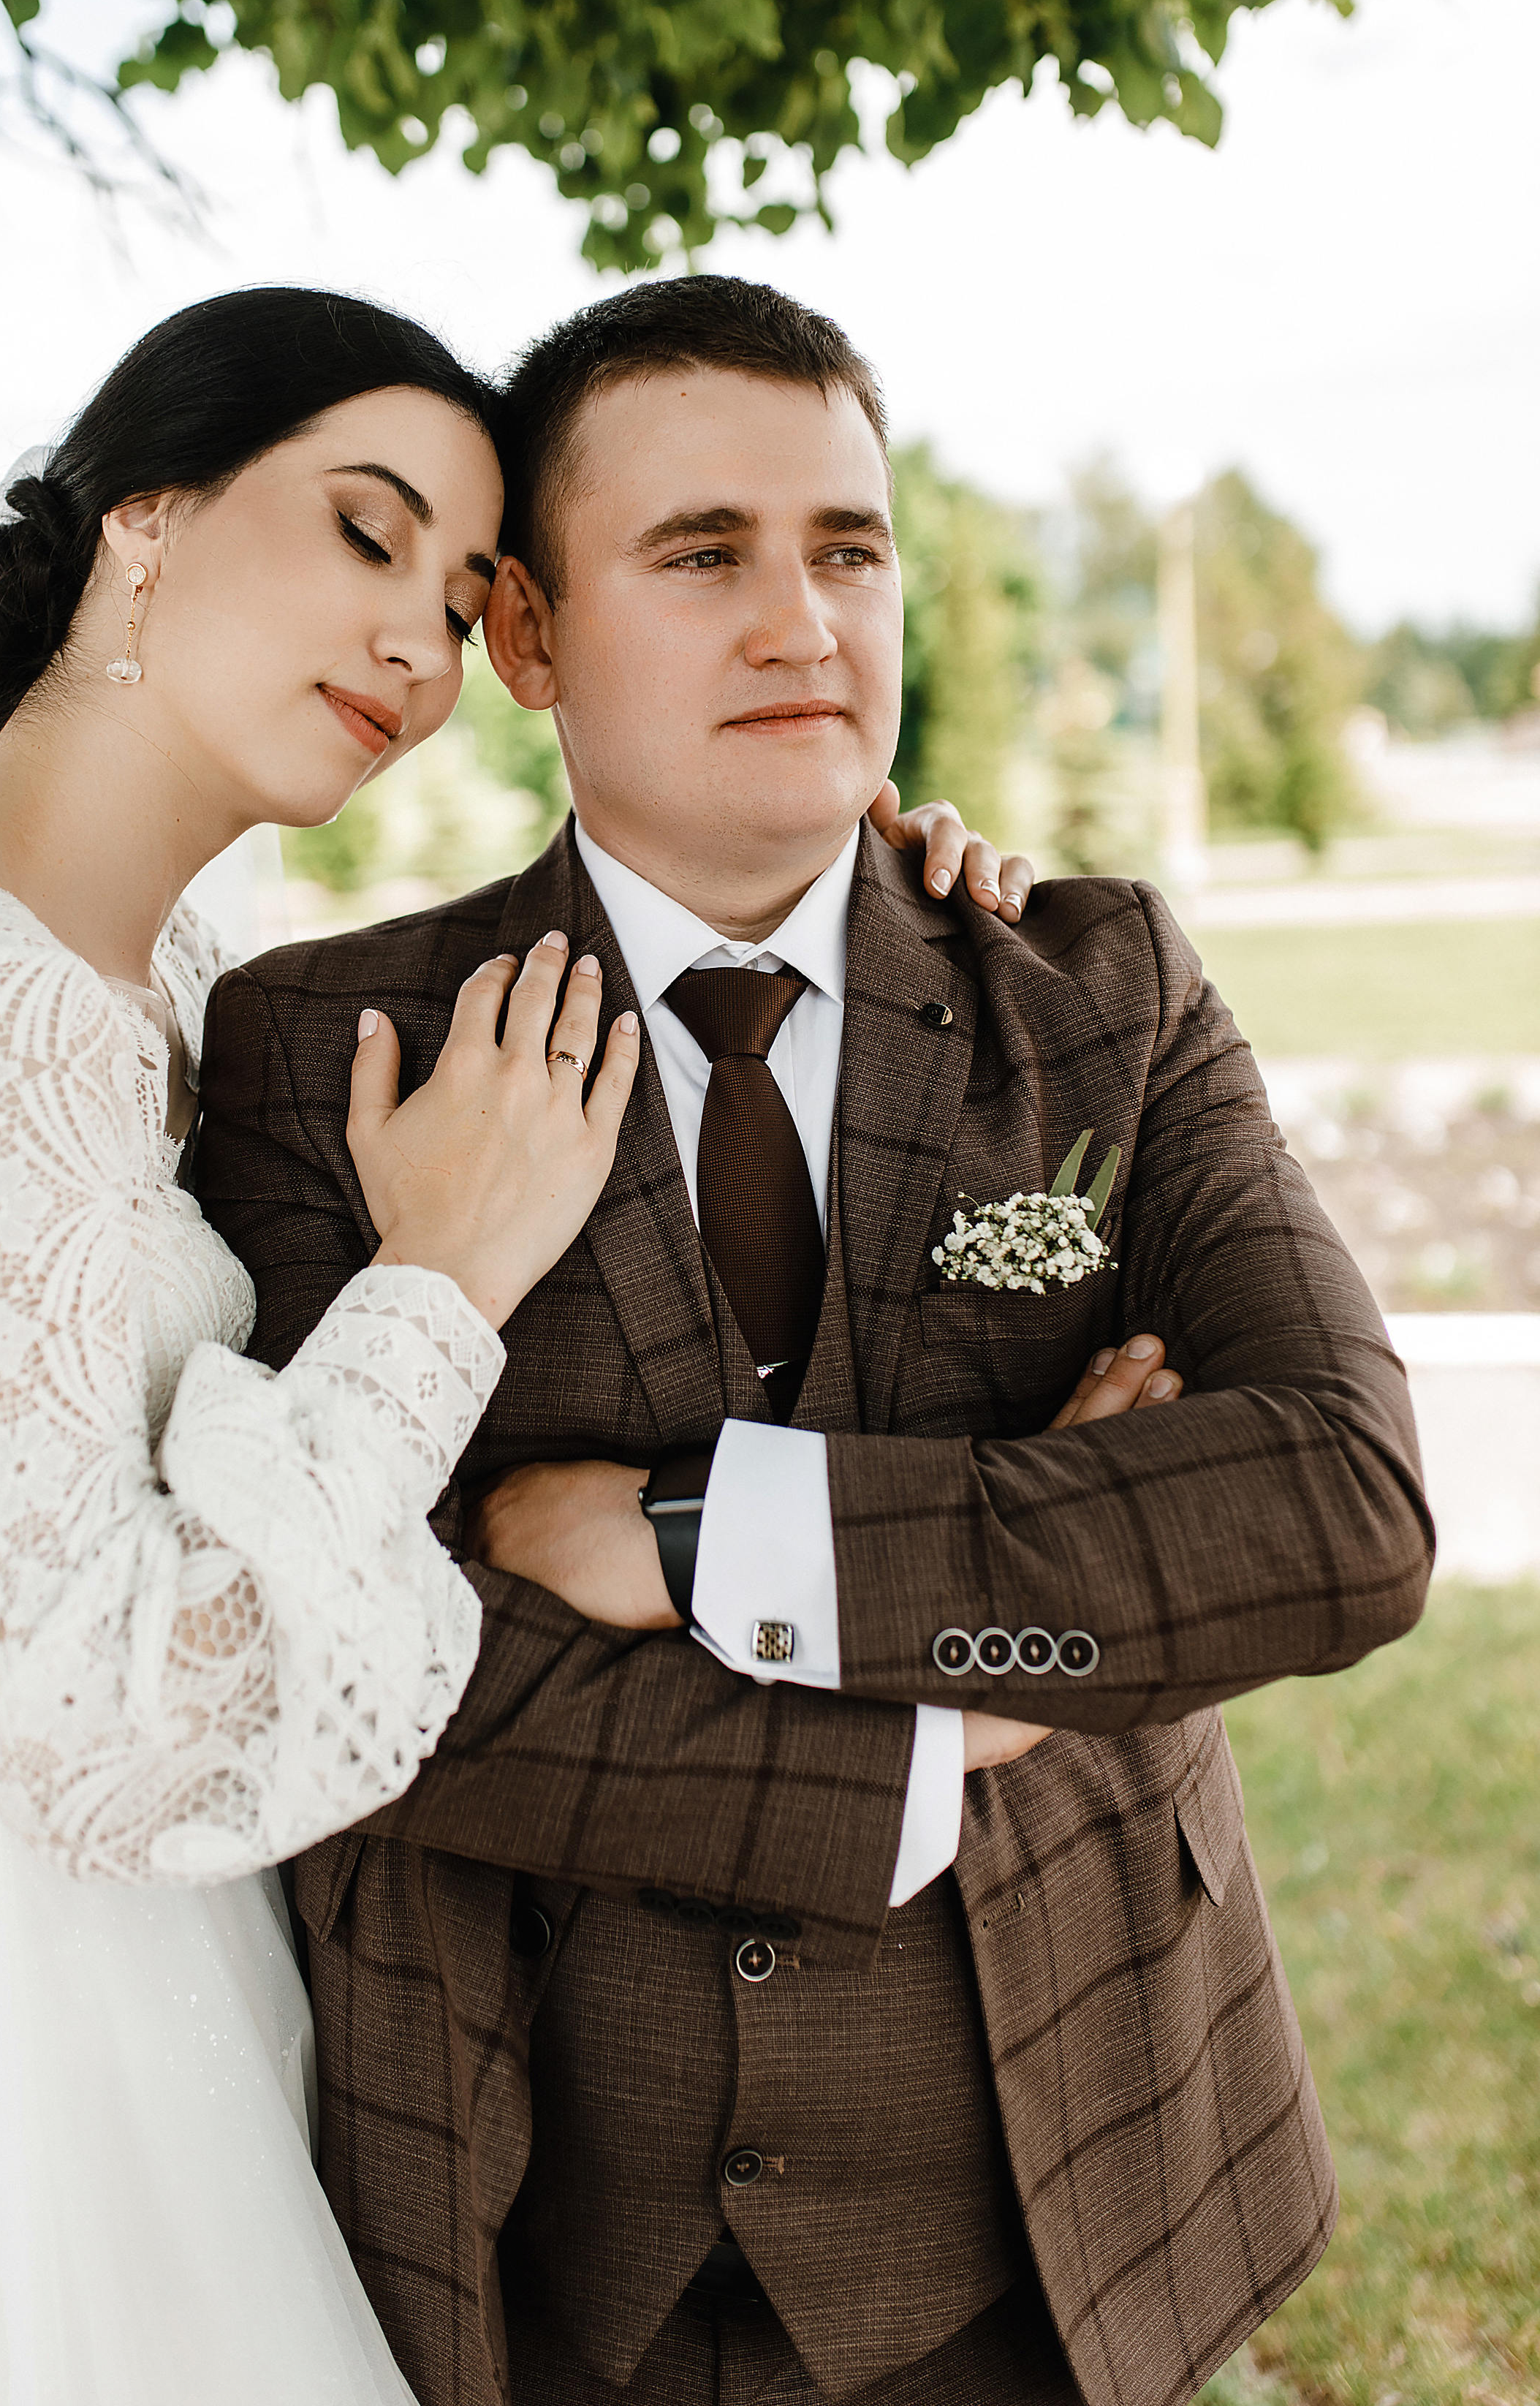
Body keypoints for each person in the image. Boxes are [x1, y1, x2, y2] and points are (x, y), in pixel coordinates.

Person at [194, 276, 1432, 2406]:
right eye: (704, 557)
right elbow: (378, 1675)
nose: (805, 622)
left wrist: (691, 1543)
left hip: (1063, 2203)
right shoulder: (335, 1049)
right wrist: (971, 1711)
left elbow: (1340, 1513)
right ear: (530, 637)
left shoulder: (1098, 993)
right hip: (544, 2238)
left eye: (846, 549)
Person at [0, 287, 656, 2406]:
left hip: (129, 1971)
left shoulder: (154, 965)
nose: (420, 643)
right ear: (148, 518)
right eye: (364, 533)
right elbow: (101, 1728)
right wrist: (437, 1298)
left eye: (465, 599)